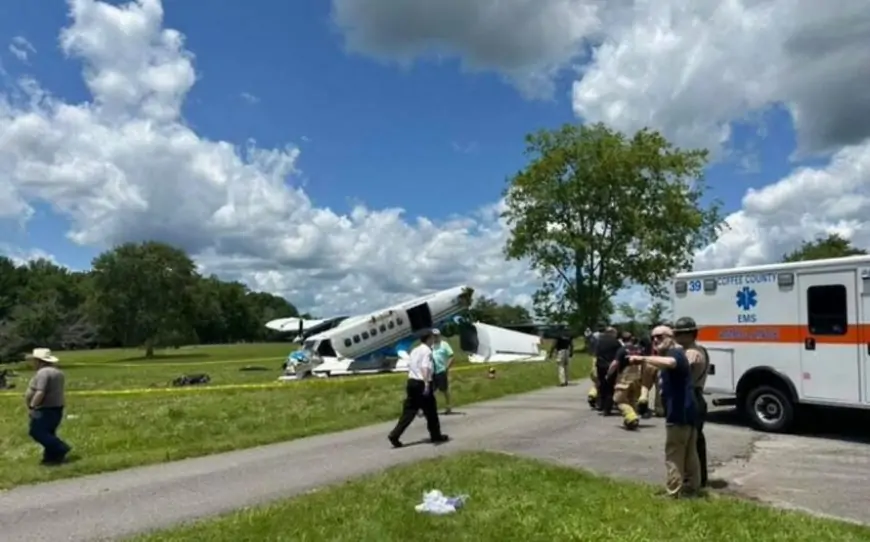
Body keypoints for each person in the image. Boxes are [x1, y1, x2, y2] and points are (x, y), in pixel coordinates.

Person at [627, 325, 700, 497]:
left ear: (671, 337)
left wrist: (643, 358)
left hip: (679, 412)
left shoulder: (674, 354)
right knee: (689, 454)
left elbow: (671, 363)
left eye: (659, 336)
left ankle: (673, 492)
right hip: (688, 411)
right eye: (653, 337)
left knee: (674, 453)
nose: (655, 340)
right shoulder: (677, 353)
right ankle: (692, 489)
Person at [388, 330, 449, 448]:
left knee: (409, 411)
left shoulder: (415, 350)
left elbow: (410, 365)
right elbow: (424, 367)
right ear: (429, 339)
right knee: (431, 410)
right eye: (432, 338)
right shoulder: (427, 351)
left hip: (411, 382)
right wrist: (426, 383)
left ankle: (395, 434)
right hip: (422, 382)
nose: (433, 340)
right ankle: (436, 435)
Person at [674, 316, 710, 488]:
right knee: (696, 441)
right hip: (697, 396)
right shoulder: (701, 349)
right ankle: (700, 478)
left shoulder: (690, 353)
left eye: (679, 334)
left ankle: (694, 480)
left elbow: (680, 373)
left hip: (691, 396)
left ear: (688, 335)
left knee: (690, 443)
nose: (676, 337)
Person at [24, 348, 71, 465]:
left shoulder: (43, 373)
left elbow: (40, 391)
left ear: (39, 361)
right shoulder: (58, 372)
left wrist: (33, 405)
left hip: (45, 408)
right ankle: (51, 458)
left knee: (36, 431)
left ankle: (61, 447)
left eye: (34, 361)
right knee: (49, 432)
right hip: (57, 407)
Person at [609, 333, 644, 429]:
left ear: (622, 340)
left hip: (625, 378)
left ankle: (630, 416)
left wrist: (609, 374)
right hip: (637, 377)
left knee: (618, 400)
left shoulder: (622, 350)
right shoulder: (639, 349)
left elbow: (615, 363)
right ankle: (632, 418)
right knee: (632, 399)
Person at [593, 327, 621, 415]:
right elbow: (619, 354)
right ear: (612, 333)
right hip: (611, 365)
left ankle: (601, 404)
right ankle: (607, 408)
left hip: (600, 365)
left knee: (602, 384)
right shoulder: (616, 342)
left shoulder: (599, 341)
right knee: (610, 386)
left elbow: (595, 352)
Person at [431, 329, 454, 414]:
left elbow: (451, 356)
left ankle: (448, 406)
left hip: (441, 370)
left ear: (439, 336)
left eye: (436, 335)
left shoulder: (444, 345)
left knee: (444, 389)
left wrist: (447, 368)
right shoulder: (431, 346)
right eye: (433, 336)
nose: (435, 337)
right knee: (431, 391)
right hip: (432, 371)